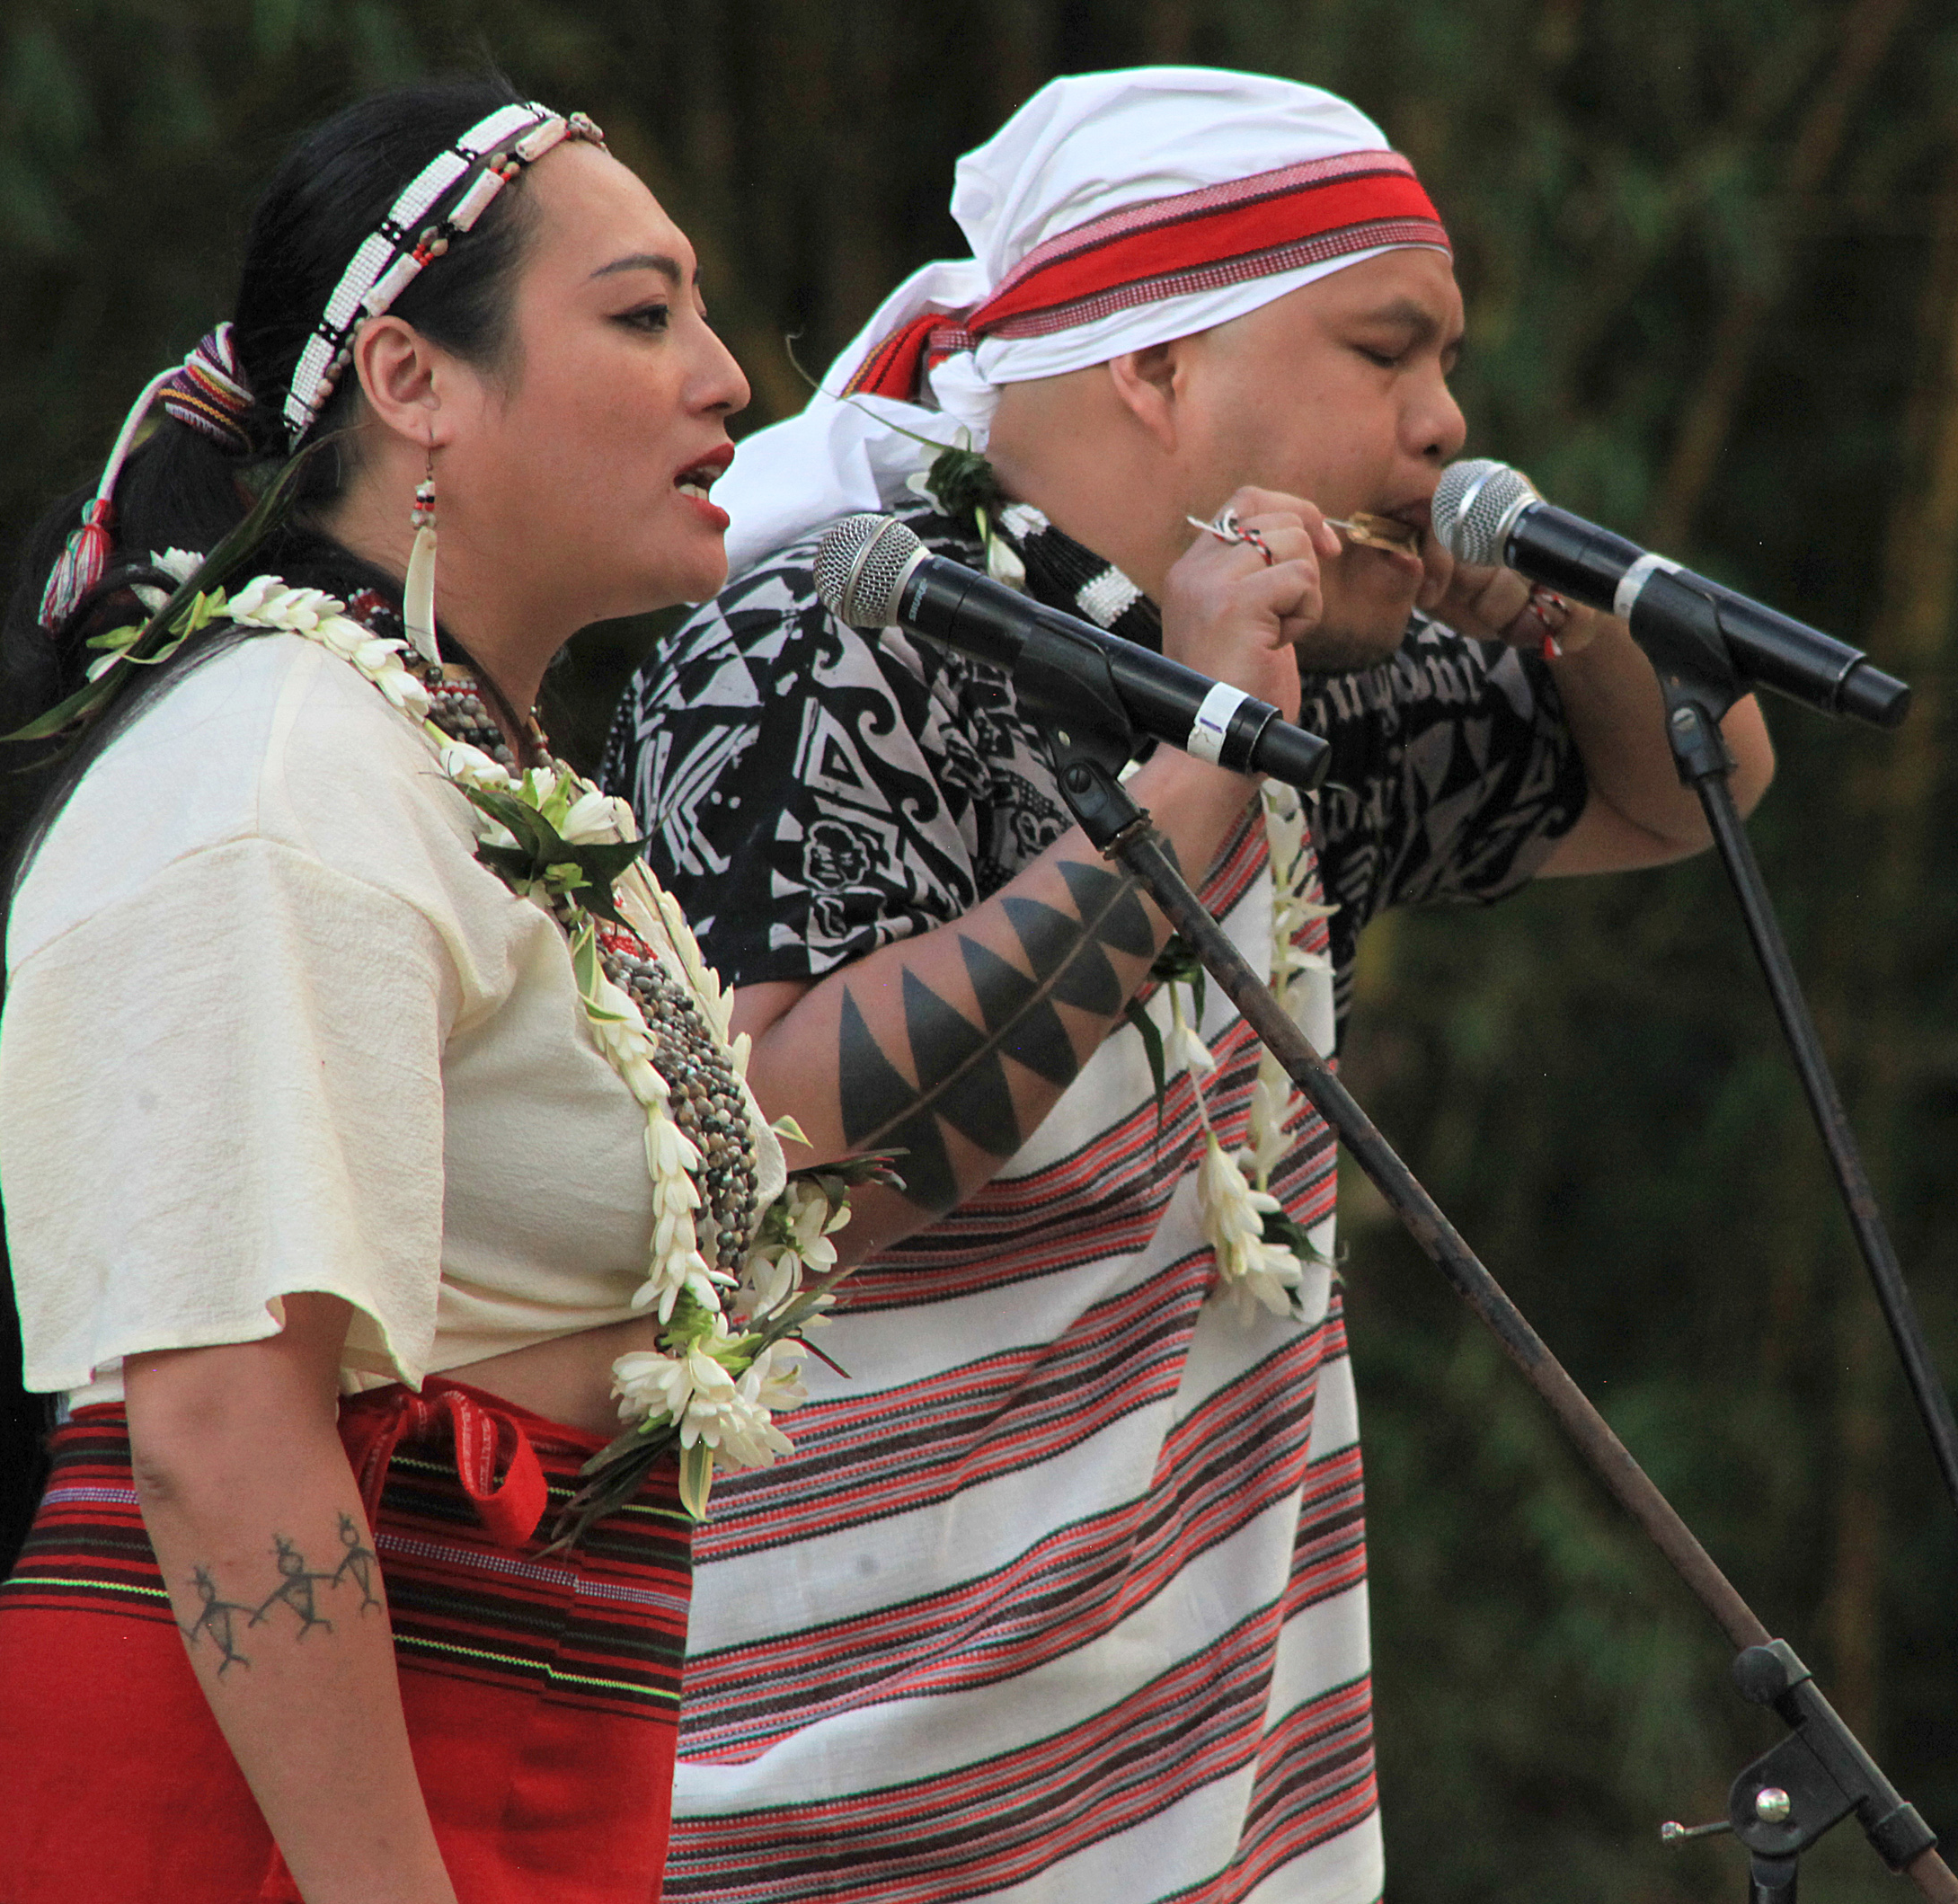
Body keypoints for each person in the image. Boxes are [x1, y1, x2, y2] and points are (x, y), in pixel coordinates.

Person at [601, 66, 1774, 1904]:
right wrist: (1205, 759)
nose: (1445, 421)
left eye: (1448, 366)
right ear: (1156, 365)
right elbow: (783, 1162)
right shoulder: (819, 646)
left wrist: (1554, 596)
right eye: (1388, 354)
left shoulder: (1321, 675)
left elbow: (1684, 783)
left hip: (1220, 1822)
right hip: (845, 1818)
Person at [0, 75, 816, 1904]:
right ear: (411, 379)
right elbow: (217, 1422)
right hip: (250, 1830)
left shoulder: (456, 775)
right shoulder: (277, 772)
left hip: (483, 1793)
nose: (728, 379)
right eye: (644, 315)